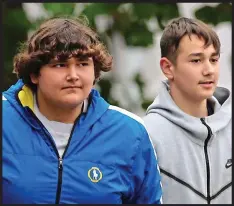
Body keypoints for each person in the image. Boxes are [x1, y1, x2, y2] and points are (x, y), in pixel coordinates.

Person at [2, 16, 162, 204]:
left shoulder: (130, 133)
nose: (73, 75)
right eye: (60, 64)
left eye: (83, 64)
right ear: (35, 74)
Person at [143, 17, 231, 204]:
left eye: (214, 59)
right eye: (196, 60)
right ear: (168, 68)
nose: (209, 70)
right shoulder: (147, 136)